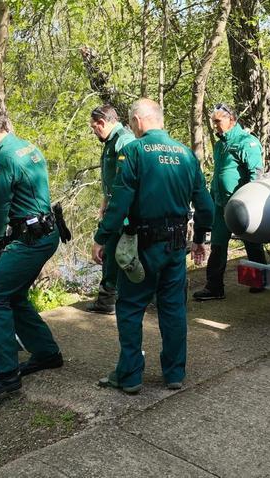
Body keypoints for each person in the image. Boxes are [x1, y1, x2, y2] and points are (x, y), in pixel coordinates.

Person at [91, 98, 214, 394]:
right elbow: (206, 205)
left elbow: (120, 203)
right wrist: (199, 239)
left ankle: (130, 376)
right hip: (175, 247)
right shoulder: (185, 154)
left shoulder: (134, 151)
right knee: (173, 309)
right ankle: (174, 374)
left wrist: (102, 238)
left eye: (131, 123)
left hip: (142, 247)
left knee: (131, 307)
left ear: (137, 120)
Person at [0, 108, 64, 399]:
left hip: (31, 240)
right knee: (14, 296)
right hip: (46, 232)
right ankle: (46, 353)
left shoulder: (2, 159)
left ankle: (5, 374)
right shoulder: (26, 147)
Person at [193, 103, 267, 301]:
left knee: (251, 241)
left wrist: (252, 201)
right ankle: (214, 287)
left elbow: (256, 173)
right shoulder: (220, 145)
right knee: (217, 244)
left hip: (241, 204)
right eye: (213, 122)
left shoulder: (246, 141)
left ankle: (259, 280)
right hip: (220, 204)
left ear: (231, 120)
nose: (215, 125)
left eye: (218, 121)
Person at [87, 105, 137, 314]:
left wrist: (116, 207)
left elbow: (126, 179)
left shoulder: (123, 139)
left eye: (94, 127)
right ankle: (111, 297)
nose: (93, 131)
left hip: (124, 210)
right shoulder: (110, 142)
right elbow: (111, 180)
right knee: (115, 250)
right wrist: (104, 204)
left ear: (102, 123)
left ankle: (108, 299)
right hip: (114, 206)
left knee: (113, 249)